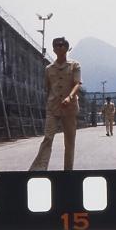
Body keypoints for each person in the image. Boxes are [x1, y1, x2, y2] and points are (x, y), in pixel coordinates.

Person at [29, 37, 82, 171]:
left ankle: (68, 171)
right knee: (48, 138)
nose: (59, 47)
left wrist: (70, 97)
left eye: (61, 45)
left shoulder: (74, 65)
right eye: (56, 45)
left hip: (69, 108)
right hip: (52, 108)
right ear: (53, 49)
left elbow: (77, 83)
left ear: (66, 48)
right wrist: (49, 103)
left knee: (69, 141)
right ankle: (39, 170)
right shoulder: (49, 69)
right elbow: (47, 88)